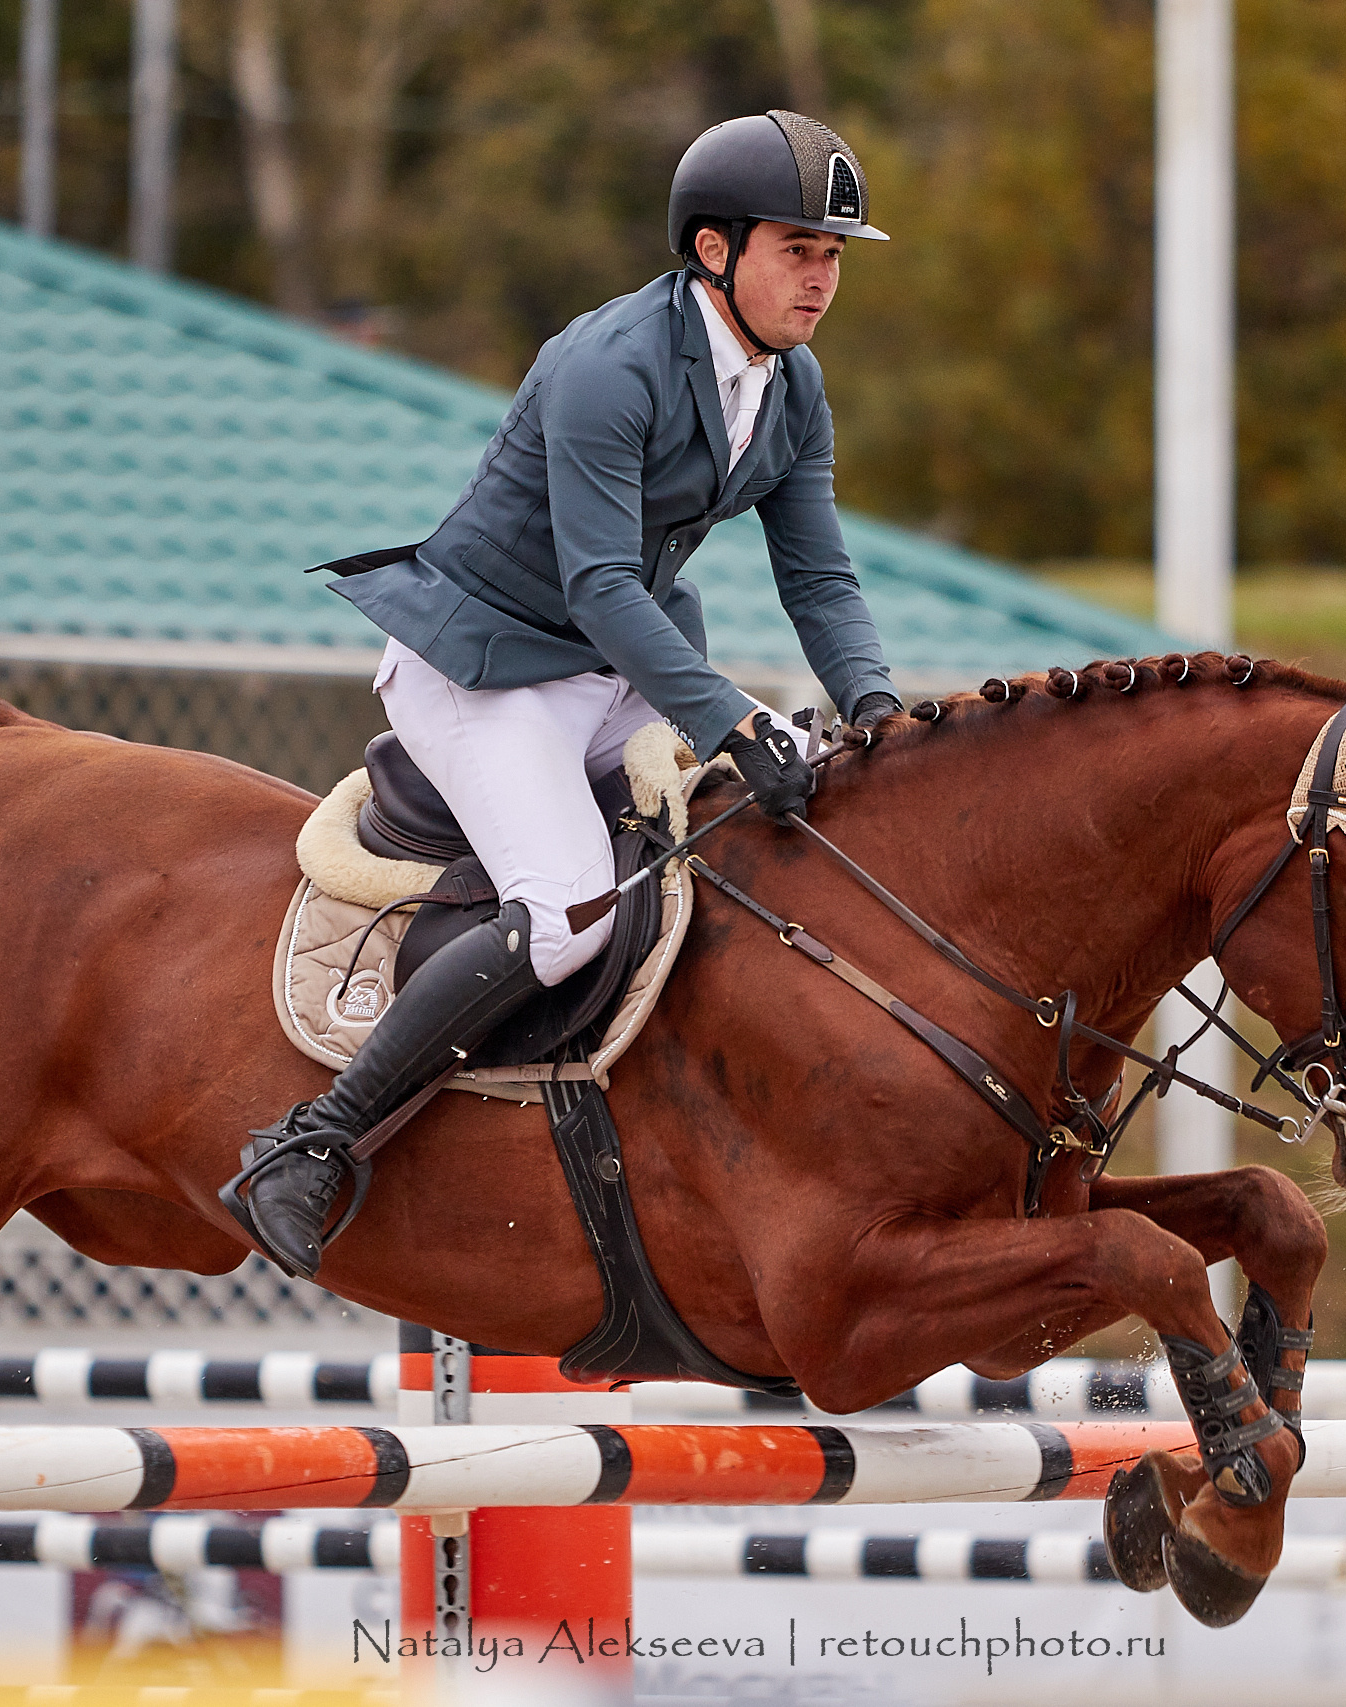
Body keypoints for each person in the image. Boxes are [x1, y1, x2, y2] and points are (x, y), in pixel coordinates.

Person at [225, 110, 909, 1278]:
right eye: (798, 248)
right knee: (566, 913)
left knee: (773, 835)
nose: (821, 278)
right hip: (487, 669)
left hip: (611, 672)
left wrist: (880, 712)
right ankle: (309, 1144)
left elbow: (819, 577)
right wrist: (733, 721)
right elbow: (596, 583)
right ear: (713, 250)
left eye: (834, 255)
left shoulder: (791, 389)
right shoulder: (611, 363)